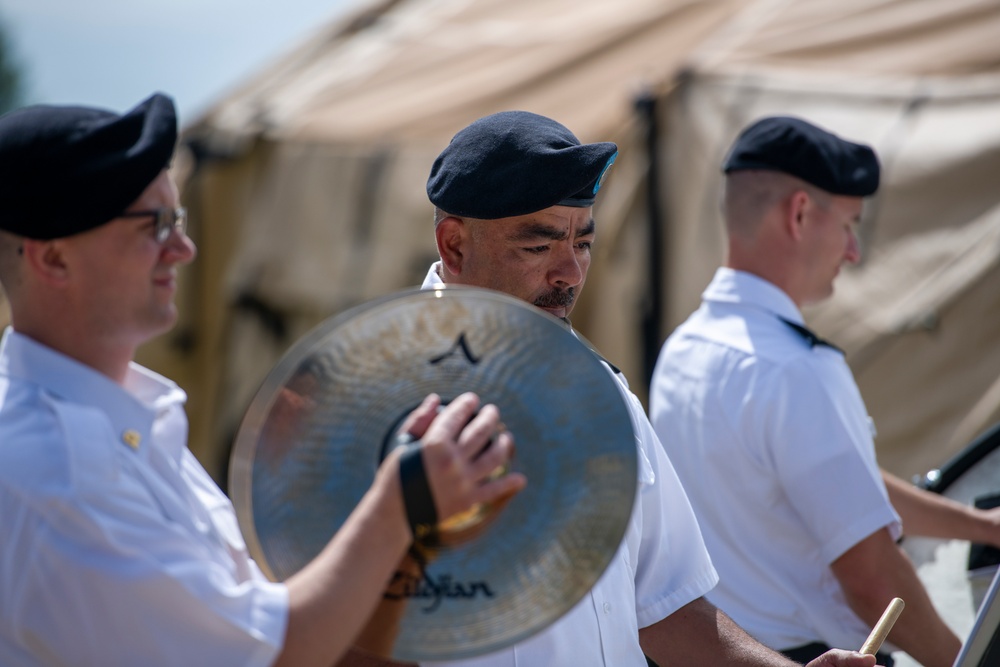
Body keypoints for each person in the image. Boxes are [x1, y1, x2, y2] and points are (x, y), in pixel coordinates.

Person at [0, 93, 525, 666]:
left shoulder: (130, 422)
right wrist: (399, 505)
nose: (183, 248)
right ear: (52, 261)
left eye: (176, 218)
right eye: (152, 225)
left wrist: (409, 541)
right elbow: (274, 654)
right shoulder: (54, 471)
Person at [340, 111, 878, 667]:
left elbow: (664, 607)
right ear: (454, 245)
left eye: (584, 243)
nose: (570, 273)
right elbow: (344, 637)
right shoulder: (375, 404)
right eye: (538, 246)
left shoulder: (600, 388)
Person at [648, 116, 968, 667]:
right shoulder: (796, 369)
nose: (853, 251)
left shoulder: (684, 348)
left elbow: (830, 484)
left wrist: (979, 525)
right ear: (798, 214)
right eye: (849, 225)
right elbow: (870, 577)